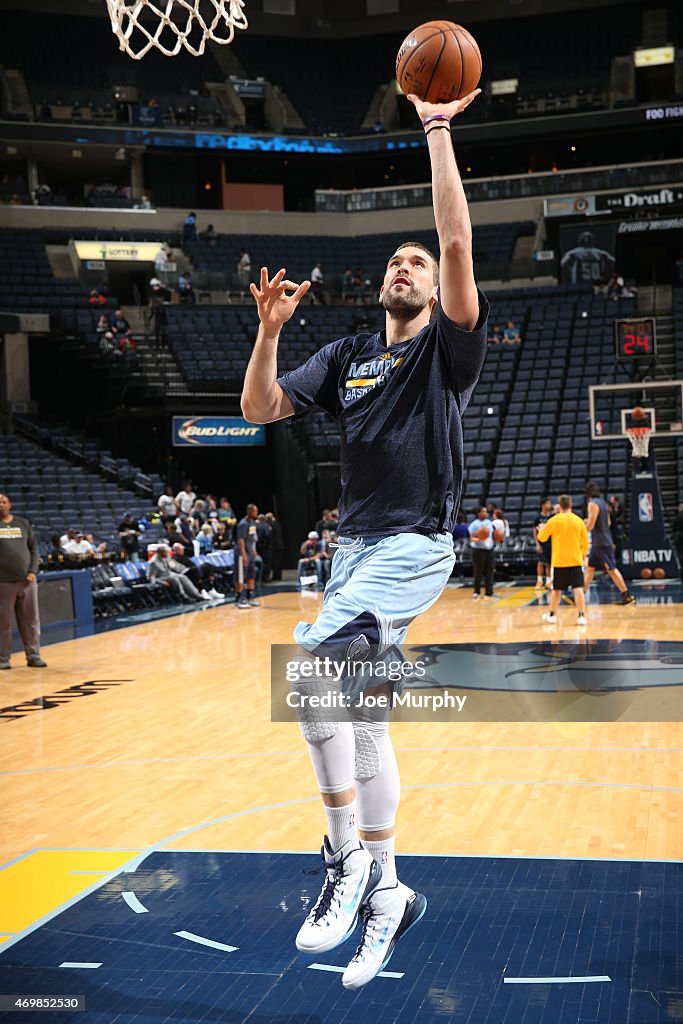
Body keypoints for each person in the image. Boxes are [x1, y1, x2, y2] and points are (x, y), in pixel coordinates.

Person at [241, 85, 485, 989]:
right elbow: (260, 407)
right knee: (367, 727)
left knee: (312, 679)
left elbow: (456, 241)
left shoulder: (445, 349)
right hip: (353, 553)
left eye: (417, 261)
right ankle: (385, 889)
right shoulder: (345, 356)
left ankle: (341, 858)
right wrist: (267, 334)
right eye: (396, 259)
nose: (407, 265)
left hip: (413, 546)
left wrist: (434, 128)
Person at [0, 493, 47, 669]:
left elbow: (34, 549)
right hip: (3, 581)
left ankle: (34, 656)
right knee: (3, 622)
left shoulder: (22, 523)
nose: (1, 505)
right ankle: (3, 658)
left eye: (4, 502)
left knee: (31, 621)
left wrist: (33, 571)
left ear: (10, 504)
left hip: (27, 580)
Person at [537, 494, 589, 625]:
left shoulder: (553, 520)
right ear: (571, 505)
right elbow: (586, 542)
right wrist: (582, 556)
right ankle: (581, 616)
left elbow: (542, 538)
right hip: (576, 560)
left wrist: (541, 530)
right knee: (578, 588)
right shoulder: (579, 521)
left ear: (559, 505)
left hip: (559, 561)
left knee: (556, 590)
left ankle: (552, 615)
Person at [583, 481, 635, 604]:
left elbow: (590, 525)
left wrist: (580, 529)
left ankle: (626, 594)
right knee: (590, 569)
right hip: (602, 541)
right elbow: (608, 523)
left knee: (611, 569)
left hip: (601, 543)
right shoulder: (603, 503)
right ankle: (580, 594)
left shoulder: (592, 504)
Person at [468, 506, 503, 600]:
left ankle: (489, 592)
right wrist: (479, 539)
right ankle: (476, 592)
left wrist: (498, 537)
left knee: (490, 571)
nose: (486, 513)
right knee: (478, 571)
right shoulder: (474, 524)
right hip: (478, 550)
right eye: (483, 511)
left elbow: (493, 535)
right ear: (478, 513)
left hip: (489, 550)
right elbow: (471, 538)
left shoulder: (489, 523)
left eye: (486, 511)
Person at [235, 503, 260, 609]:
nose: (256, 513)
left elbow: (252, 539)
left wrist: (254, 551)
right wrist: (243, 555)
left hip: (250, 552)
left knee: (251, 574)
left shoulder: (253, 523)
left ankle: (250, 596)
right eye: (255, 511)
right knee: (241, 576)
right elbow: (240, 540)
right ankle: (239, 599)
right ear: (249, 511)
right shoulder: (243, 524)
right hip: (242, 553)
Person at [533, 497, 554, 589]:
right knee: (541, 562)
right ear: (543, 505)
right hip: (541, 542)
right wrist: (537, 544)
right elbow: (535, 532)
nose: (549, 505)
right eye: (547, 503)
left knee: (549, 563)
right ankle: (539, 581)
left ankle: (548, 581)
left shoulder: (552, 517)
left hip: (550, 542)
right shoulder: (538, 518)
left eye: (550, 504)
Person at [672, 502, 683, 580]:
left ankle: (682, 570)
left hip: (678, 536)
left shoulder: (677, 517)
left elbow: (673, 528)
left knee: (680, 554)